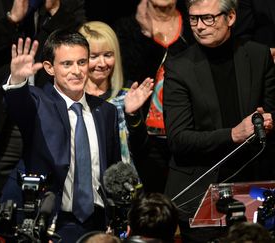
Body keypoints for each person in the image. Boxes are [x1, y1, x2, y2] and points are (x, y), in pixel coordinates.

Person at [162, 0, 275, 242]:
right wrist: (233, 134)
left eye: (208, 18)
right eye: (193, 19)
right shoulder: (179, 67)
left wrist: (266, 122)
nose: (199, 26)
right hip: (200, 192)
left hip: (253, 189)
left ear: (231, 17)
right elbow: (179, 139)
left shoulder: (258, 55)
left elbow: (271, 112)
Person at [3, 30, 121, 242]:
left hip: (97, 223)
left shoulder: (106, 111)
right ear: (50, 68)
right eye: (67, 64)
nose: (76, 71)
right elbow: (18, 106)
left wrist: (116, 217)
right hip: (52, 221)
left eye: (82, 62)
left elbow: (113, 170)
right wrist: (18, 80)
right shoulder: (38, 102)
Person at [0, 0, 86, 200]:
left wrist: (56, 12)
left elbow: (82, 44)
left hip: (53, 113)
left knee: (52, 188)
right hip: (5, 116)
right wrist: (11, 20)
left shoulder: (68, 4)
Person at [114, 0, 195, 194]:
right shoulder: (128, 29)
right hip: (145, 137)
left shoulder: (194, 24)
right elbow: (127, 79)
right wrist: (146, 35)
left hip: (187, 132)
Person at [78, 21, 153, 177]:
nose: (102, 63)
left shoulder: (127, 93)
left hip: (123, 189)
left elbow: (142, 150)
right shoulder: (72, 97)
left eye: (108, 55)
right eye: (94, 56)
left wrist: (132, 116)